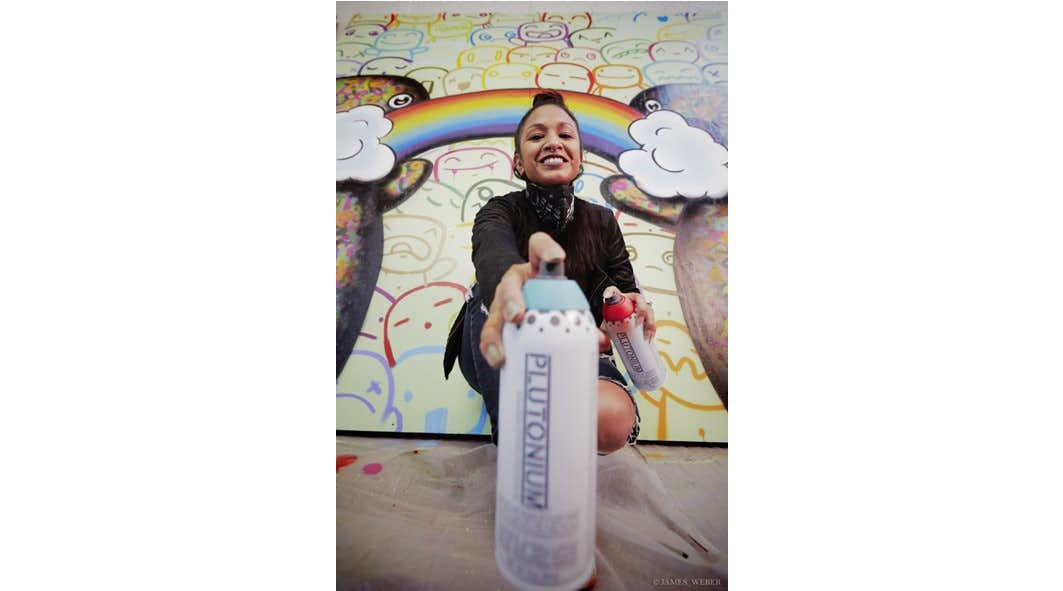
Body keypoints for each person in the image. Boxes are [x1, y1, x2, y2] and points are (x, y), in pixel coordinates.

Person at [443, 90, 655, 454]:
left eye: (565, 134)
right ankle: (515, 441)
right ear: (518, 163)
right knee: (489, 288)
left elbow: (622, 285)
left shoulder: (602, 221)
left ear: (580, 158)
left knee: (609, 420)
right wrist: (509, 281)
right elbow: (492, 253)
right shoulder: (499, 211)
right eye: (537, 136)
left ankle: (556, 428)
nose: (553, 142)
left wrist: (630, 303)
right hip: (509, 348)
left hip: (582, 350)